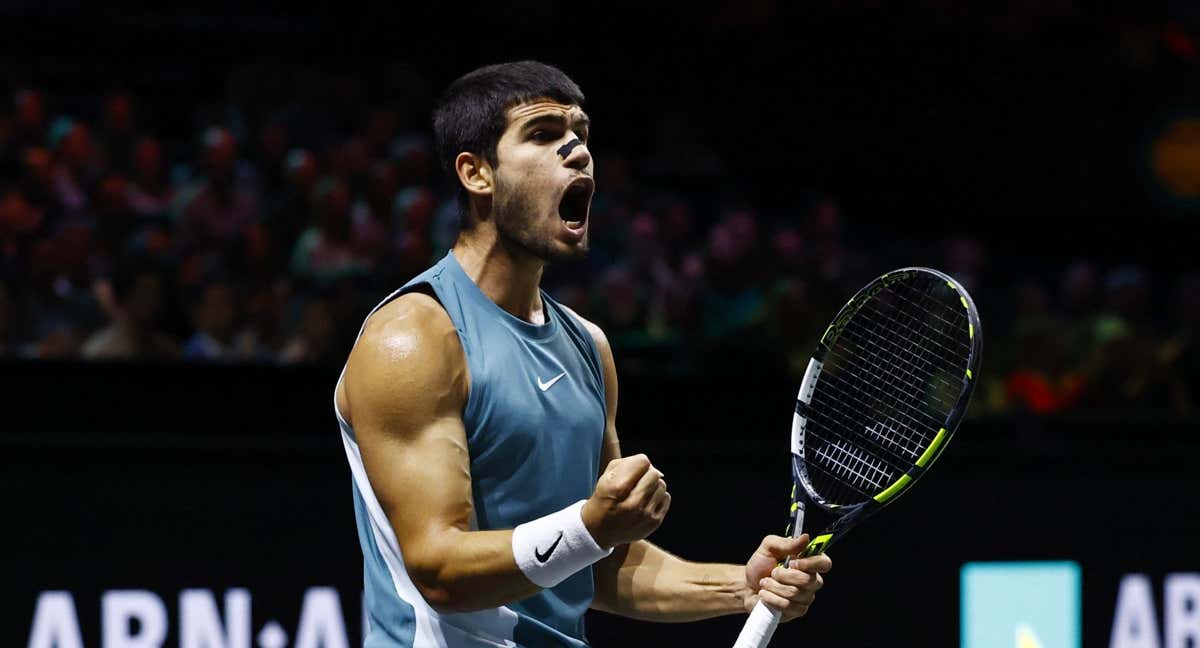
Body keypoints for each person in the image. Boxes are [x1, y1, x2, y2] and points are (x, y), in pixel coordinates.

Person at [333, 61, 831, 647]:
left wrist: (743, 589)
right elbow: (438, 568)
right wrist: (589, 526)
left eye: (581, 134)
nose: (577, 150)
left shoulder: (587, 347)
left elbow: (597, 565)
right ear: (476, 174)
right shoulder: (414, 337)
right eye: (543, 134)